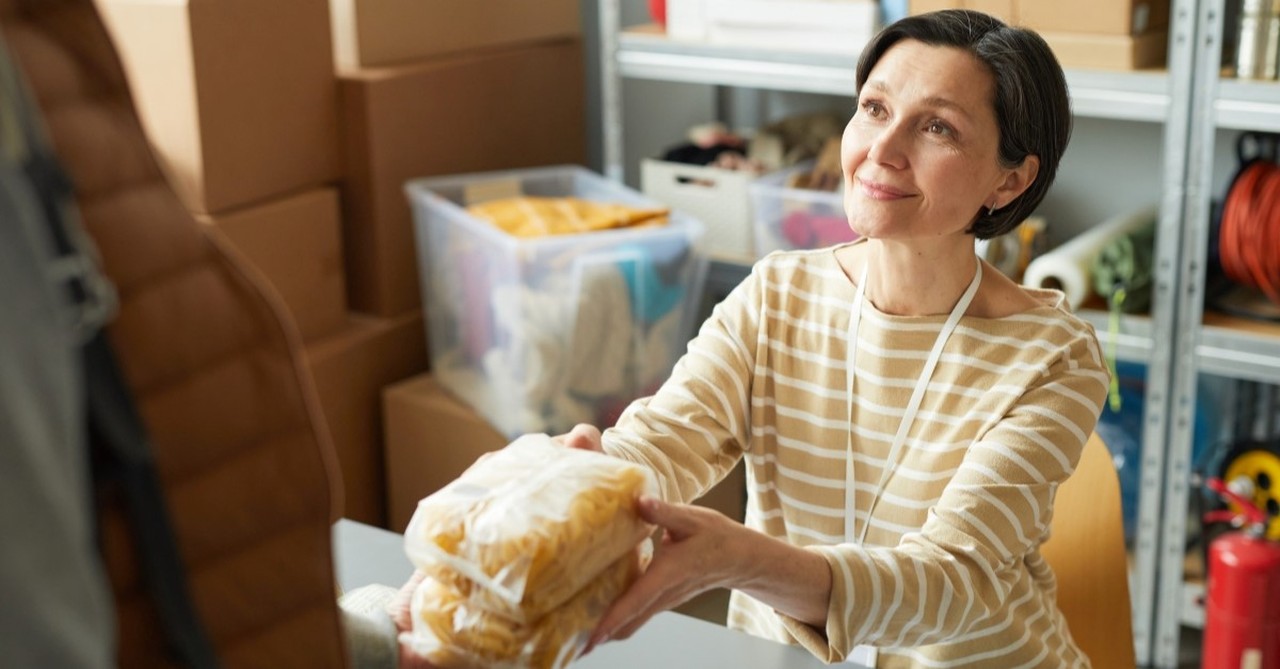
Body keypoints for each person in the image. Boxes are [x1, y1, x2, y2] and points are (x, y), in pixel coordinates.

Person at [391, 8, 1107, 668]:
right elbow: (661, 443)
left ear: (1009, 181)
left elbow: (956, 582)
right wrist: (534, 504)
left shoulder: (1050, 356)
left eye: (937, 127)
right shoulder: (778, 294)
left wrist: (738, 559)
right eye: (875, 108)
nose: (880, 150)